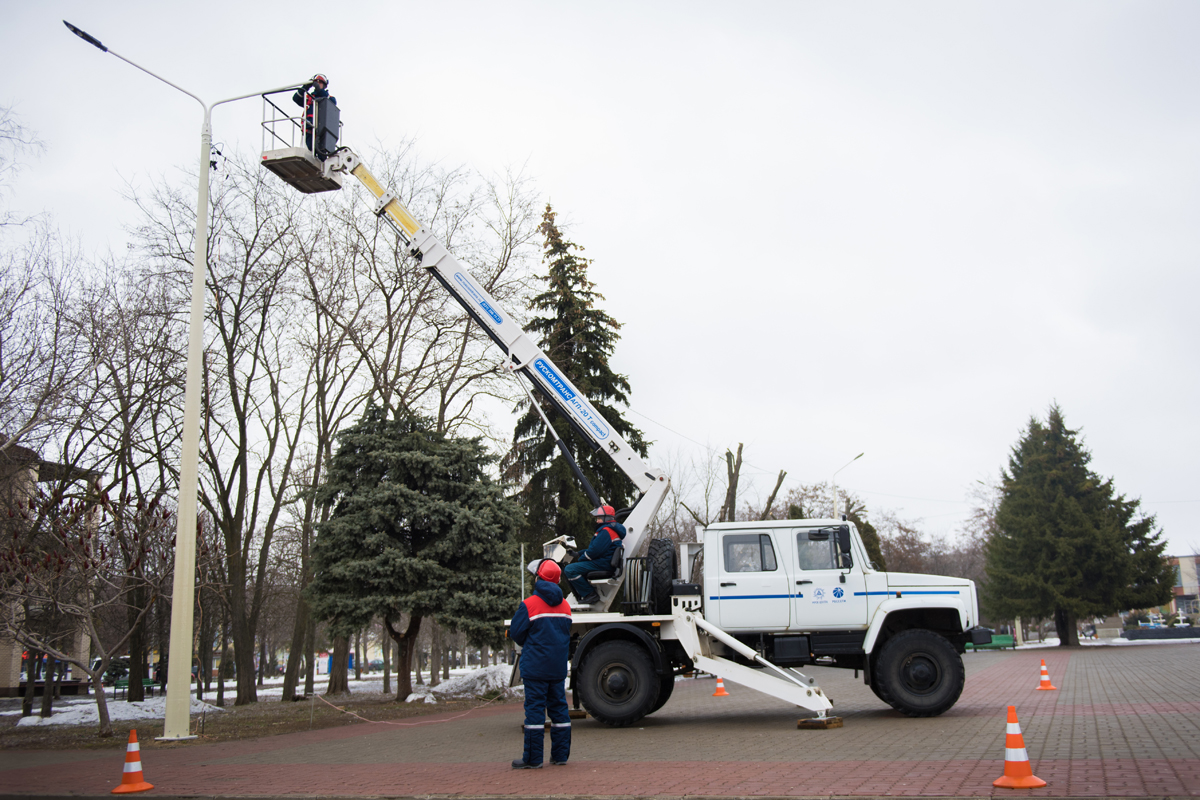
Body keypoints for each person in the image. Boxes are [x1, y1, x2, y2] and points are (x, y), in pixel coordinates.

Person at [508, 559, 572, 769]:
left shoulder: (529, 604)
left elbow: (517, 634)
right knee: (560, 711)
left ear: (538, 578)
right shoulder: (566, 607)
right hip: (557, 668)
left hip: (535, 669)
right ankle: (560, 756)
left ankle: (533, 759)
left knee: (535, 713)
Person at [562, 505, 626, 605]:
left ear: (606, 518)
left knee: (570, 570)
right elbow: (595, 549)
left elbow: (594, 552)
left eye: (599, 518)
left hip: (602, 564)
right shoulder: (610, 530)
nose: (597, 521)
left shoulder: (606, 531)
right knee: (574, 568)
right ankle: (587, 594)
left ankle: (590, 594)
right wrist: (578, 554)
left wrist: (581, 559)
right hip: (604, 562)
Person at [292, 74, 335, 159]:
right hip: (309, 127)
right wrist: (305, 87)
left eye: (320, 83)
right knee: (310, 147)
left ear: (324, 85)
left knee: (321, 151)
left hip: (322, 129)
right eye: (316, 83)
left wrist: (319, 90)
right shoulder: (309, 97)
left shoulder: (329, 97)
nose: (318, 84)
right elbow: (296, 98)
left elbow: (332, 104)